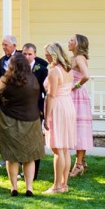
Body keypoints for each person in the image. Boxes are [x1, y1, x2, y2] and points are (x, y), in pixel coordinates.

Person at [0, 53, 45, 196]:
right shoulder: (33, 80)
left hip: (9, 121)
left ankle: (14, 187)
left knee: (11, 157)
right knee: (29, 157)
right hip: (31, 121)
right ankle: (29, 187)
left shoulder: (5, 80)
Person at [42, 42, 76, 194]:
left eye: (47, 54)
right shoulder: (68, 69)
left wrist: (47, 116)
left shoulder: (54, 72)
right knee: (65, 149)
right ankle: (64, 184)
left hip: (58, 107)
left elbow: (51, 95)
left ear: (54, 54)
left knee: (58, 148)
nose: (46, 57)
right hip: (68, 105)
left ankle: (56, 186)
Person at [68, 33, 93, 177]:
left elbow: (86, 75)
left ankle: (78, 164)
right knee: (74, 127)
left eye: (71, 40)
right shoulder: (72, 58)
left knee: (79, 128)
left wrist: (74, 86)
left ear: (77, 44)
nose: (69, 42)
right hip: (72, 96)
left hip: (77, 96)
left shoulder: (79, 58)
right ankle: (82, 161)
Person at [23, 42, 48, 182]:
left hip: (36, 110)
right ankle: (23, 169)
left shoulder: (42, 70)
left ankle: (34, 173)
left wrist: (43, 111)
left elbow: (46, 92)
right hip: (20, 110)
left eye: (30, 54)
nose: (27, 57)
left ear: (35, 55)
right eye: (25, 54)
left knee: (34, 141)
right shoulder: (17, 68)